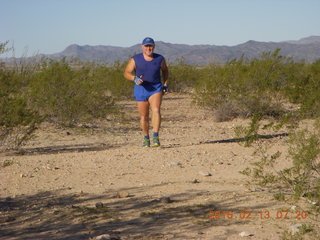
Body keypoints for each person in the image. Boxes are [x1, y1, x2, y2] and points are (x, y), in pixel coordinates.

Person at [124, 37, 169, 147]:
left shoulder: (160, 59)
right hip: (141, 89)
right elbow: (126, 72)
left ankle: (156, 137)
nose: (149, 48)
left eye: (151, 46)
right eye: (146, 46)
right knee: (144, 116)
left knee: (156, 110)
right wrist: (134, 79)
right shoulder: (135, 59)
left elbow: (165, 70)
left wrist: (165, 84)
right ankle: (146, 138)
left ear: (154, 47)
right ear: (142, 47)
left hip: (155, 88)